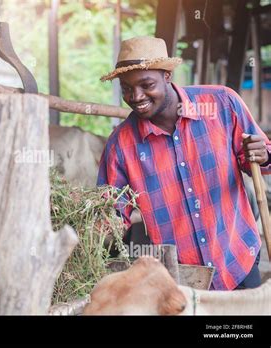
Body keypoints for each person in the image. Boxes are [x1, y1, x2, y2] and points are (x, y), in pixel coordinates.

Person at [97, 36, 271, 290]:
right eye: (126, 88)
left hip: (237, 259)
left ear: (167, 75)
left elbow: (259, 158)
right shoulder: (120, 146)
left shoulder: (222, 104)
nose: (136, 96)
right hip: (180, 279)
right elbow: (111, 214)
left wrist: (263, 155)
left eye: (147, 84)